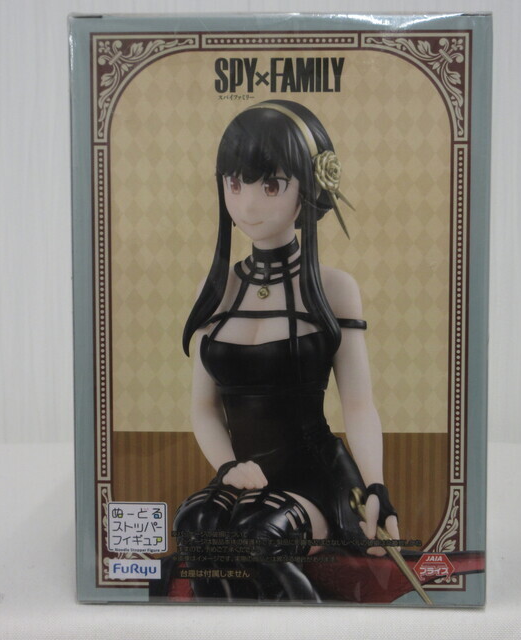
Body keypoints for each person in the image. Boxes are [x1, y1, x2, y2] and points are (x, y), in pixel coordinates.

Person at [174, 100, 399, 602]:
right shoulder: (218, 291)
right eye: (235, 183)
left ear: (310, 187)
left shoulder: (334, 289)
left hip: (315, 477)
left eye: (271, 185)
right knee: (196, 523)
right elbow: (203, 408)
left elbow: (358, 404)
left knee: (260, 534)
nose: (248, 204)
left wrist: (376, 486)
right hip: (243, 474)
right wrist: (229, 467)